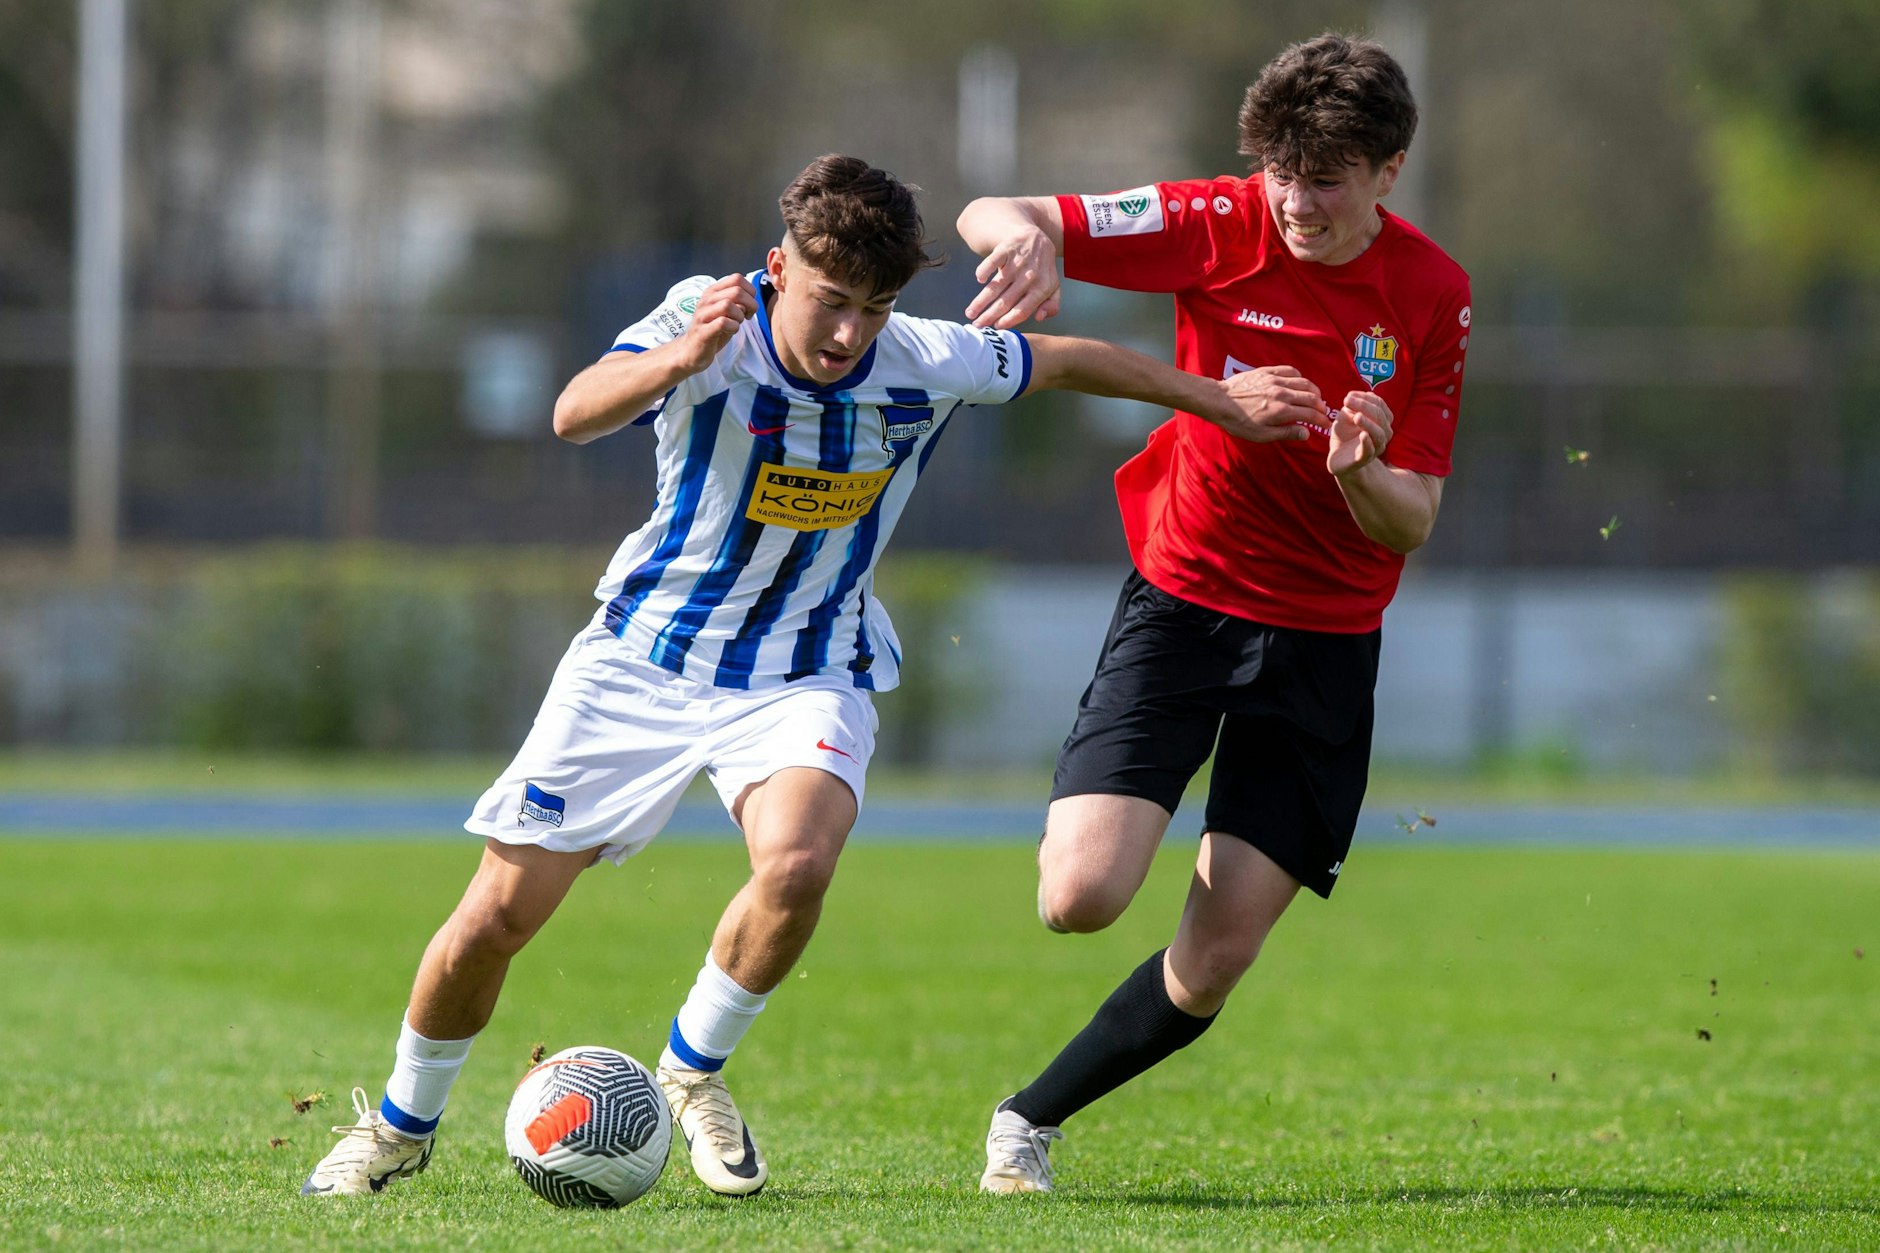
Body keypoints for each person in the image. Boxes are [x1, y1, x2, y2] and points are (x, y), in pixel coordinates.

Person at [300, 154, 1302, 1199]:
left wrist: (1212, 399)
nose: (846, 335)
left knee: (798, 862)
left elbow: (1066, 359)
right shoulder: (708, 318)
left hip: (808, 666)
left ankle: (689, 1070)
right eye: (829, 302)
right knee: (496, 916)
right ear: (778, 268)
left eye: (873, 309)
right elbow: (573, 412)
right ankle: (403, 1125)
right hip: (641, 659)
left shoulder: (924, 357)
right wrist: (676, 356)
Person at [955, 33, 1472, 1192]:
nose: (1294, 201)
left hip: (1327, 638)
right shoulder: (1214, 219)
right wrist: (1027, 243)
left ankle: (1027, 1117)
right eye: (1280, 170)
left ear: (1388, 170)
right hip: (1185, 595)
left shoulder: (1432, 294)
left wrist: (1350, 470)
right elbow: (993, 208)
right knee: (1076, 896)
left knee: (1214, 955)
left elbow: (1412, 520)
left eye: (1325, 176)